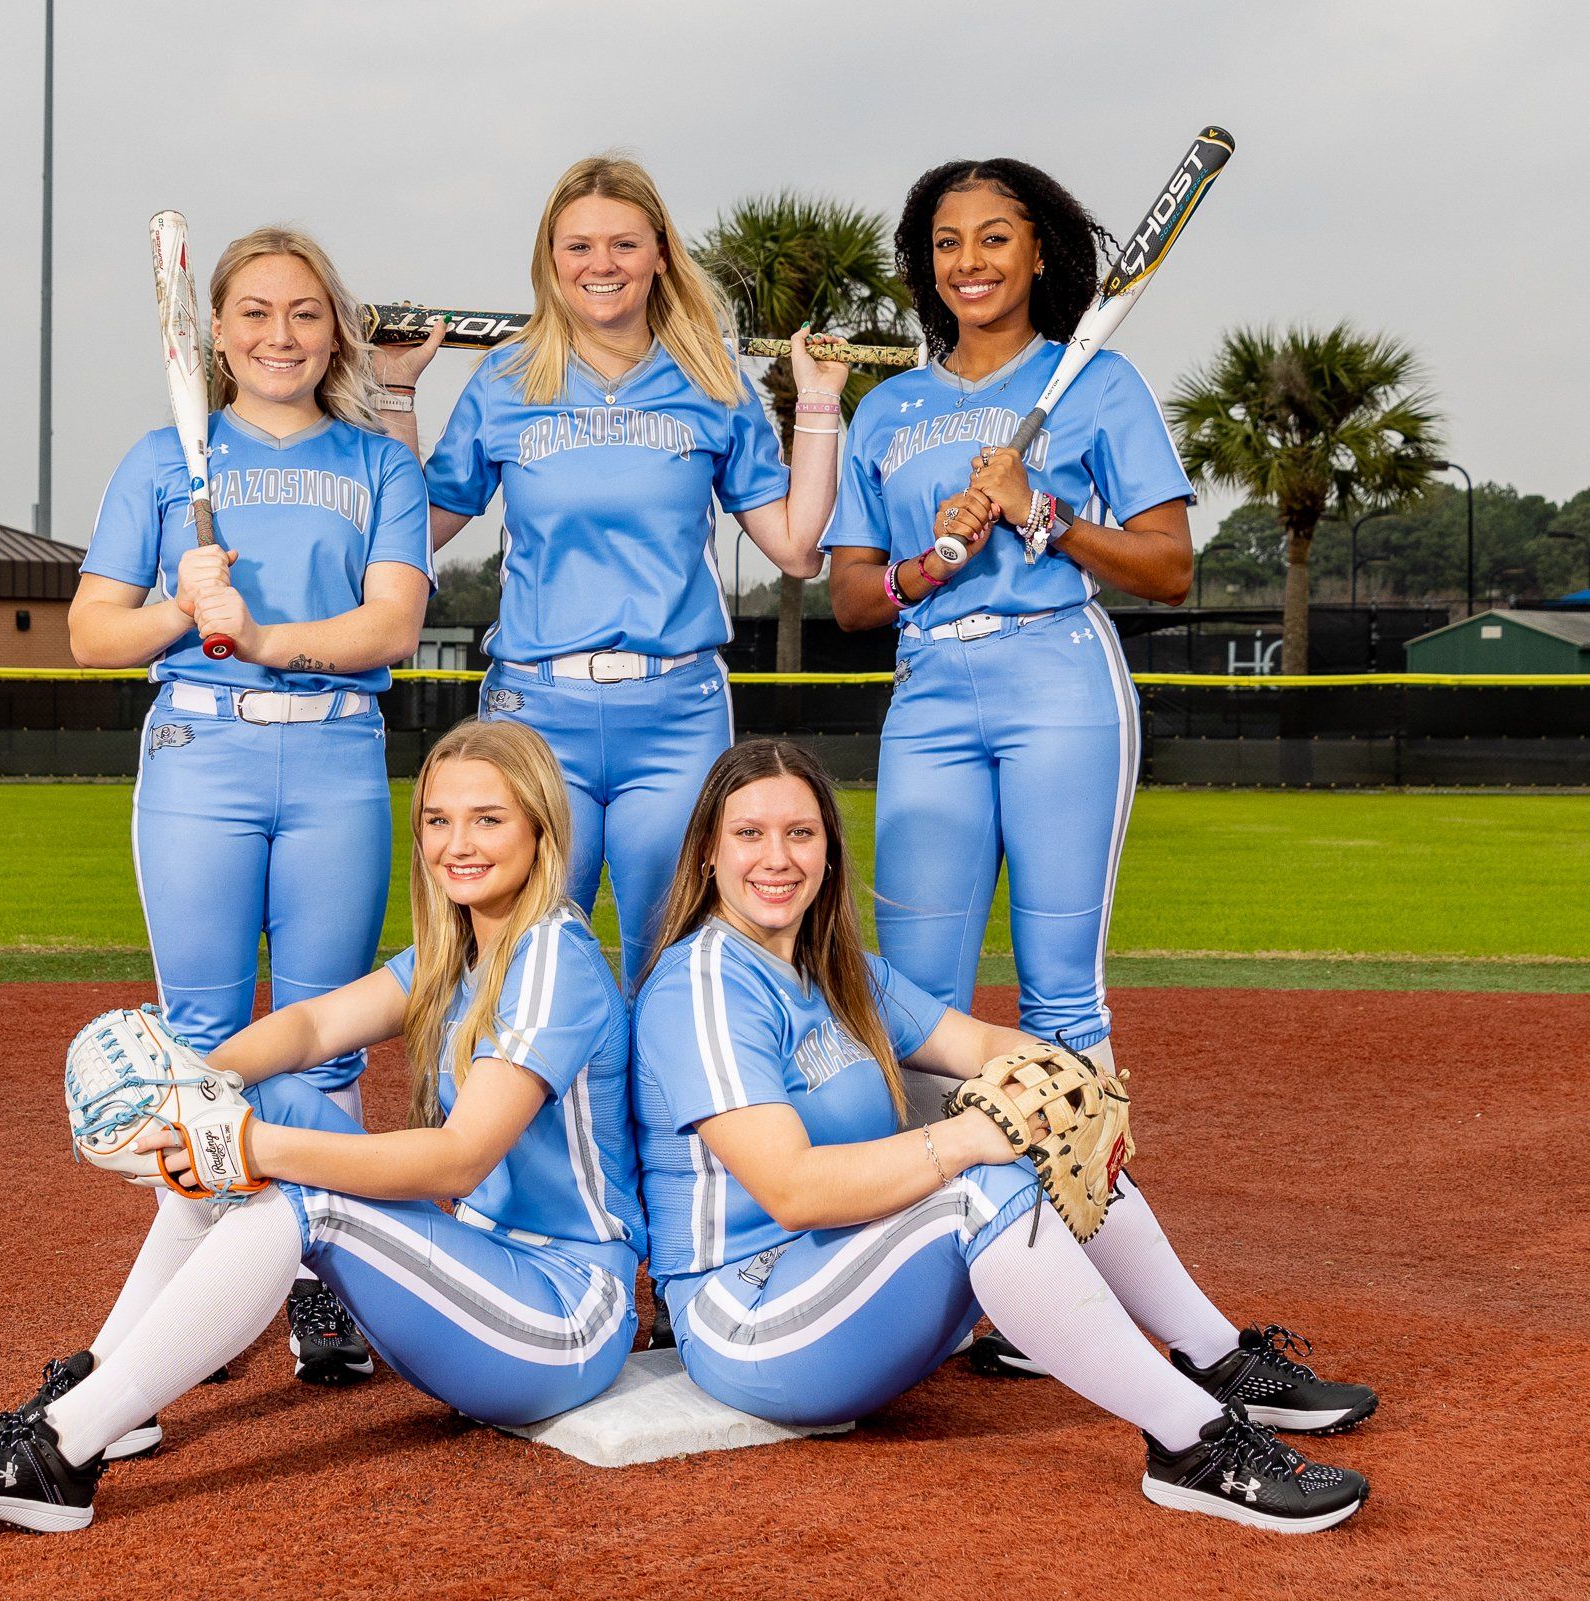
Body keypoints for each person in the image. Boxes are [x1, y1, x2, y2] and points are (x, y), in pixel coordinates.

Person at [0, 720, 642, 1533]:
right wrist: (194, 1088)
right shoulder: (458, 952)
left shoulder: (552, 959)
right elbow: (310, 1027)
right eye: (438, 820)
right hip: (485, 1277)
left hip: (562, 1313)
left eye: (488, 818)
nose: (458, 843)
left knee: (302, 1194)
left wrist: (246, 1146)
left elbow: (458, 1160)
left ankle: (58, 1453)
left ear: (540, 828)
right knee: (257, 1100)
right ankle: (106, 1386)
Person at [629, 740, 1375, 1534]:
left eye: (800, 833)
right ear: (708, 852)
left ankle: (1217, 1357)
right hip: (751, 1315)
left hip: (852, 1282)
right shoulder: (703, 984)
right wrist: (969, 1138)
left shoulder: (842, 971)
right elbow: (792, 1189)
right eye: (749, 833)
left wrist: (1062, 1081)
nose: (777, 857)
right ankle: (1193, 1443)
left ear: (829, 851)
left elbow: (981, 1043)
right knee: (980, 1182)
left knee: (1040, 1130)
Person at [822, 161, 1197, 1377]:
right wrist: (925, 566)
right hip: (930, 690)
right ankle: (939, 1270)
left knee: (1060, 998)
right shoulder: (886, 411)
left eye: (995, 237)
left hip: (1058, 682)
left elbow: (1169, 567)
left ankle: (1072, 1264)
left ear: (1039, 255)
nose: (970, 261)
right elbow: (849, 597)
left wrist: (1043, 516)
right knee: (915, 999)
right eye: (947, 241)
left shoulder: (1096, 382)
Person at [69, 225, 432, 1378]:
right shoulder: (159, 462)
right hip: (200, 753)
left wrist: (264, 634)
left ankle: (318, 1281)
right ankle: (197, 1300)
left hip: (333, 756)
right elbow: (91, 634)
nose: (282, 335)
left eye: (306, 312)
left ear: (337, 332)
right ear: (214, 335)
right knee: (204, 1045)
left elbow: (393, 624)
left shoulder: (379, 464)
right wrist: (180, 610)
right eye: (257, 313)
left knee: (325, 1045)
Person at [374, 154, 850, 990]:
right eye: (579, 246)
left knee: (672, 962)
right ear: (550, 260)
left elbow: (797, 547)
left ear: (660, 253)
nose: (602, 264)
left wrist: (817, 402)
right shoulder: (505, 379)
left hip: (675, 713)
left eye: (624, 244)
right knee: (521, 965)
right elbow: (410, 533)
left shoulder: (712, 379)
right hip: (534, 714)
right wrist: (394, 395)